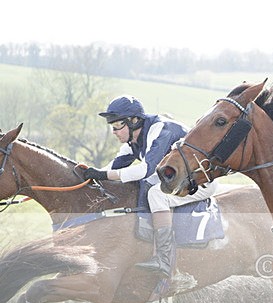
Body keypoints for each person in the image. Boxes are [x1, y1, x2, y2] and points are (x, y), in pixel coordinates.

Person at [83, 95, 218, 278]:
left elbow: (146, 170)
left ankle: (164, 260)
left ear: (133, 121)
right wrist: (91, 176)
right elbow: (113, 168)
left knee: (156, 194)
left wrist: (104, 174)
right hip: (178, 178)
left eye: (116, 125)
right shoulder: (133, 140)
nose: (113, 131)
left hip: (200, 180)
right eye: (111, 126)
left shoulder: (161, 130)